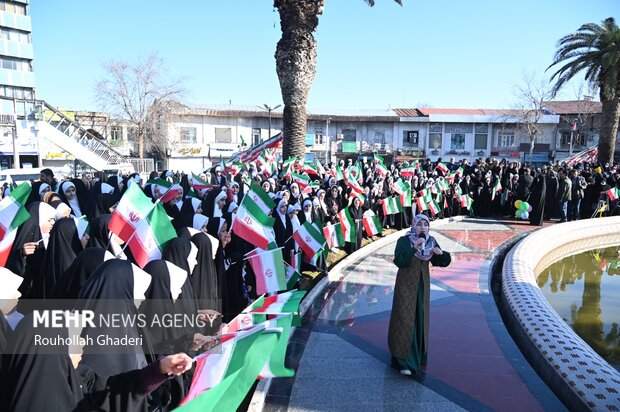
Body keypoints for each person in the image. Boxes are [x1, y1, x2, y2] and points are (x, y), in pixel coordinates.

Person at [388, 214, 450, 377]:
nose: (423, 228)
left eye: (426, 224)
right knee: (404, 319)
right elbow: (400, 261)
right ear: (413, 226)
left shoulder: (431, 241)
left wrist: (440, 253)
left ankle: (418, 356)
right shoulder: (404, 241)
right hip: (405, 286)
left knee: (420, 319)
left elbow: (442, 262)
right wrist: (414, 247)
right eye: (419, 224)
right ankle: (402, 360)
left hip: (423, 286)